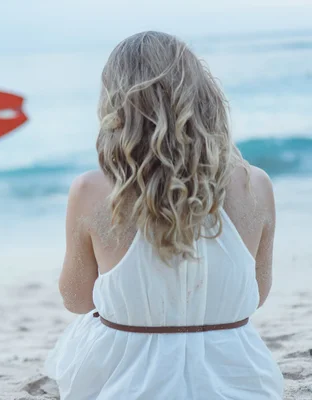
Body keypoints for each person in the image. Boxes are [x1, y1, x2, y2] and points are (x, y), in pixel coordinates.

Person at [45, 31, 283, 399]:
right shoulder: (256, 185)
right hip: (240, 378)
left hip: (130, 381)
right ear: (204, 96)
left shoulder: (92, 191)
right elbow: (258, 294)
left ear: (115, 106)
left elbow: (76, 299)